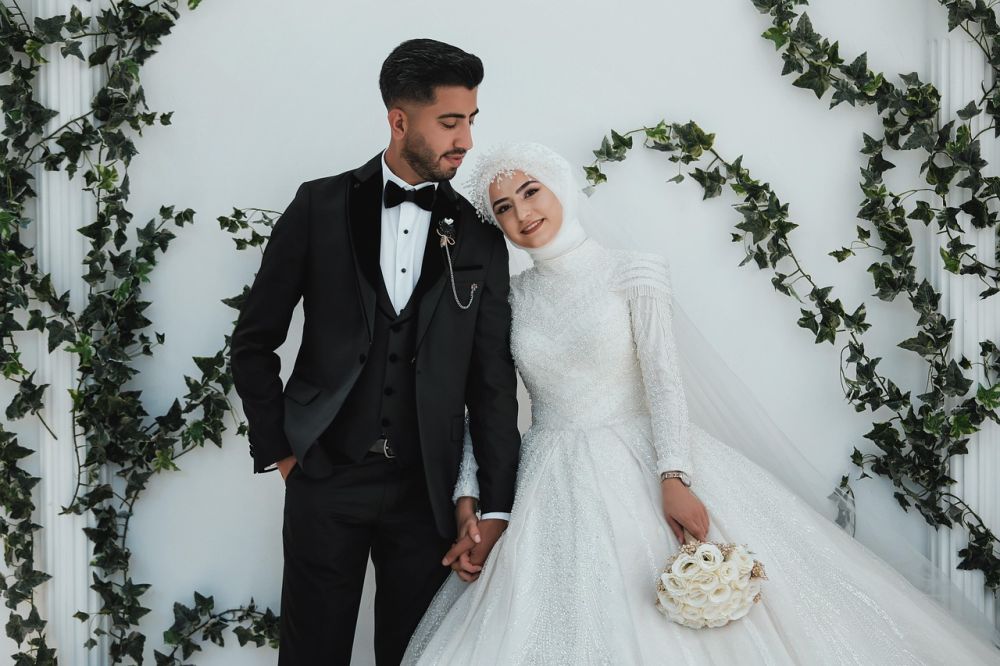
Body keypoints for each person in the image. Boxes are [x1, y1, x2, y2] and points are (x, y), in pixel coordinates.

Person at [402, 142, 1000, 665]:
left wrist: (674, 475)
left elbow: (664, 382)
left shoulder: (632, 272)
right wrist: (469, 491)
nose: (522, 213)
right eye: (503, 207)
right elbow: (488, 404)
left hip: (643, 457)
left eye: (531, 192)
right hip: (547, 473)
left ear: (561, 186)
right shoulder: (510, 297)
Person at [229, 39, 520, 665]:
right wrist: (282, 450)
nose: (466, 140)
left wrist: (493, 503)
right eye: (450, 122)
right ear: (399, 120)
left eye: (471, 120)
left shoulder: (478, 235)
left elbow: (492, 381)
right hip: (324, 474)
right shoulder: (319, 205)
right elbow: (254, 341)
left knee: (417, 656)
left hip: (429, 490)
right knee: (311, 654)